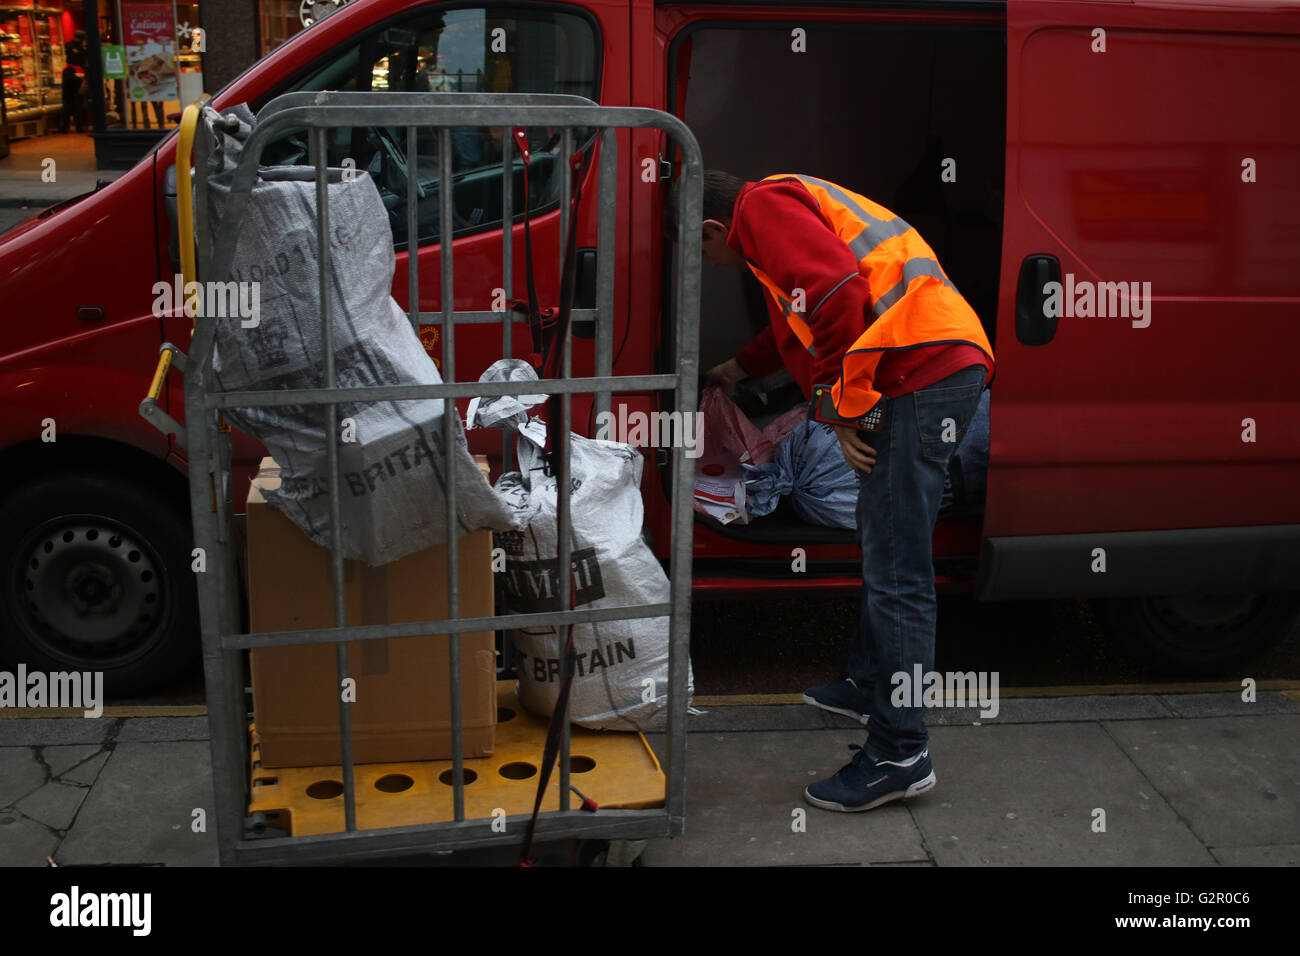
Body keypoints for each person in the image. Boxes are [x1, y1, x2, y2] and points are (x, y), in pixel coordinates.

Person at [683, 170, 994, 811]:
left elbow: (834, 294)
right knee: (885, 542)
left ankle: (900, 751)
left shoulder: (761, 208)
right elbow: (799, 320)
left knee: (899, 567)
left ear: (715, 229)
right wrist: (736, 370)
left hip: (919, 368)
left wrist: (839, 406)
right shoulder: (779, 213)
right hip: (929, 359)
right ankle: (867, 680)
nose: (711, 264)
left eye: (704, 253)